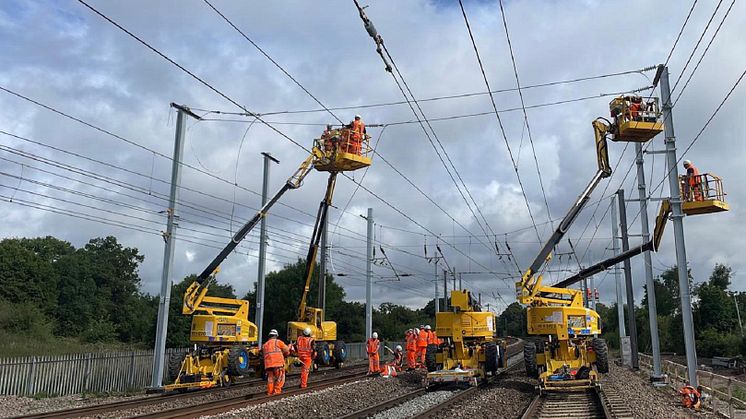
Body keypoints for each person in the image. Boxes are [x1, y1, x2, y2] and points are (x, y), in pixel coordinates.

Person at [262, 329, 290, 395]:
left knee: (270, 379)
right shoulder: (278, 342)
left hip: (268, 365)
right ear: (276, 336)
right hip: (278, 364)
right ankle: (277, 392)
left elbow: (263, 354)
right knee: (280, 378)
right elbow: (286, 350)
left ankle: (270, 392)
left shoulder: (265, 345)